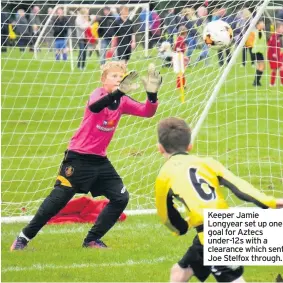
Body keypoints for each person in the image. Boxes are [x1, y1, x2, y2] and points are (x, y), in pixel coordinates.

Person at [10, 61, 162, 251]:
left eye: (120, 76)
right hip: (78, 158)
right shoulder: (98, 94)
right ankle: (22, 239)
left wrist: (152, 94)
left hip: (99, 160)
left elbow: (147, 112)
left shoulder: (122, 101)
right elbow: (95, 107)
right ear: (103, 79)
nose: (117, 79)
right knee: (57, 202)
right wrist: (119, 92)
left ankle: (92, 240)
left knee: (121, 198)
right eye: (113, 76)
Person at [155, 117, 283, 282]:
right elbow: (239, 187)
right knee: (179, 272)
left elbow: (166, 215)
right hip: (218, 227)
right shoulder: (207, 163)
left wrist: (180, 228)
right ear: (189, 146)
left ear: (160, 148)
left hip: (216, 237)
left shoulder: (164, 177)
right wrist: (269, 202)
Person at [267, 22, 283, 87]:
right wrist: (274, 54)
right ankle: (273, 83)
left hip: (276, 55)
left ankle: (272, 83)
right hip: (273, 56)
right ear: (278, 29)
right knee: (278, 68)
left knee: (278, 68)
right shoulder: (274, 37)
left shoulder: (277, 36)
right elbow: (272, 46)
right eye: (282, 28)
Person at [252, 19, 266, 86]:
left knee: (259, 66)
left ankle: (256, 81)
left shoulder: (261, 31)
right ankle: (256, 82)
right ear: (257, 25)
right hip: (257, 52)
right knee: (262, 66)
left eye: (263, 23)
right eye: (261, 23)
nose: (263, 24)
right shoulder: (258, 32)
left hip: (259, 52)